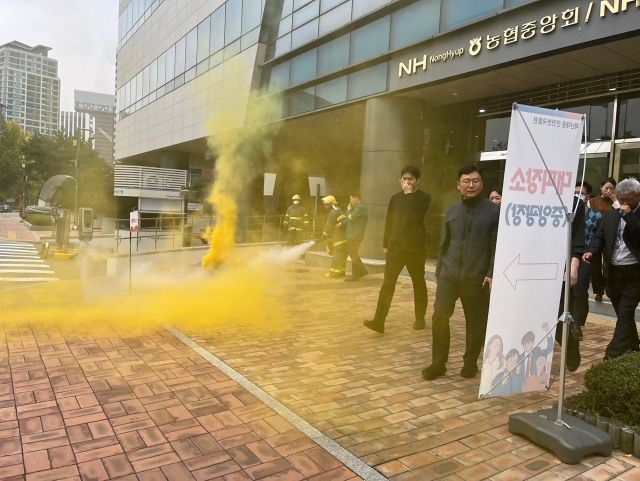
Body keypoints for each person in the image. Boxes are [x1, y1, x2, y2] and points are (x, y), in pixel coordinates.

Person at [423, 165, 499, 380]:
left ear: (482, 184)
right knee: (439, 316)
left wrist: (491, 271)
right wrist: (439, 268)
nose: (471, 185)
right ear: (458, 185)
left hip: (476, 277)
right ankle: (438, 363)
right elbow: (444, 243)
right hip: (450, 273)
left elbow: (496, 245)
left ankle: (470, 362)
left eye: (475, 181)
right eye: (466, 181)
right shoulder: (453, 210)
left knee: (475, 322)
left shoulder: (494, 211)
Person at [363, 166, 431, 334]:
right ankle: (379, 321)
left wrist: (408, 195)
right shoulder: (395, 198)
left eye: (411, 179)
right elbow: (389, 222)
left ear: (418, 181)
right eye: (404, 179)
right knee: (388, 284)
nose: (407, 182)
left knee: (418, 283)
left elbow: (415, 216)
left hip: (415, 248)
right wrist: (386, 244)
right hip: (396, 247)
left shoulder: (424, 198)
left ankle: (420, 318)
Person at [584, 178, 640, 360]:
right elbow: (599, 237)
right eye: (621, 199)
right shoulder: (612, 216)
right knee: (622, 312)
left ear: (638, 197)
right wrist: (591, 252)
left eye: (629, 200)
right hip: (614, 272)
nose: (624, 203)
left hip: (635, 273)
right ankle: (633, 346)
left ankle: (613, 353)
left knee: (625, 312)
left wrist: (630, 215)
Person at [571, 181, 598, 341]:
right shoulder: (568, 209)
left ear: (587, 195)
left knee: (580, 290)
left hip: (585, 258)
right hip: (569, 255)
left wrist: (591, 252)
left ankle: (577, 324)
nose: (577, 195)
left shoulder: (596, 215)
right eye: (574, 192)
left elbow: (597, 237)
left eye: (580, 192)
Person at [589, 177, 619, 302]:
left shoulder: (617, 201)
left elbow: (621, 214)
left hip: (612, 236)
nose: (609, 191)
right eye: (606, 188)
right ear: (601, 187)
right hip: (596, 236)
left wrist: (615, 200)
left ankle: (609, 289)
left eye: (612, 188)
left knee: (608, 265)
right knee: (595, 266)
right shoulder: (593, 201)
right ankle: (598, 291)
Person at [341, 190, 369, 282]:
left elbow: (351, 217)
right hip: (352, 234)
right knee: (353, 254)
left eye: (351, 199)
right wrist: (342, 223)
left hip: (355, 235)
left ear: (356, 198)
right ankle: (356, 274)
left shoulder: (361, 208)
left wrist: (348, 210)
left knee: (352, 253)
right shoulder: (357, 207)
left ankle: (361, 271)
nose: (350, 201)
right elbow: (350, 221)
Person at [319, 195, 347, 278]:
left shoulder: (333, 212)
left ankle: (334, 273)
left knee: (337, 254)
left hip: (339, 237)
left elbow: (329, 225)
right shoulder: (339, 211)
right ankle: (341, 271)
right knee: (342, 254)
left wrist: (324, 235)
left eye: (326, 204)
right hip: (344, 237)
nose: (325, 206)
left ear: (331, 204)